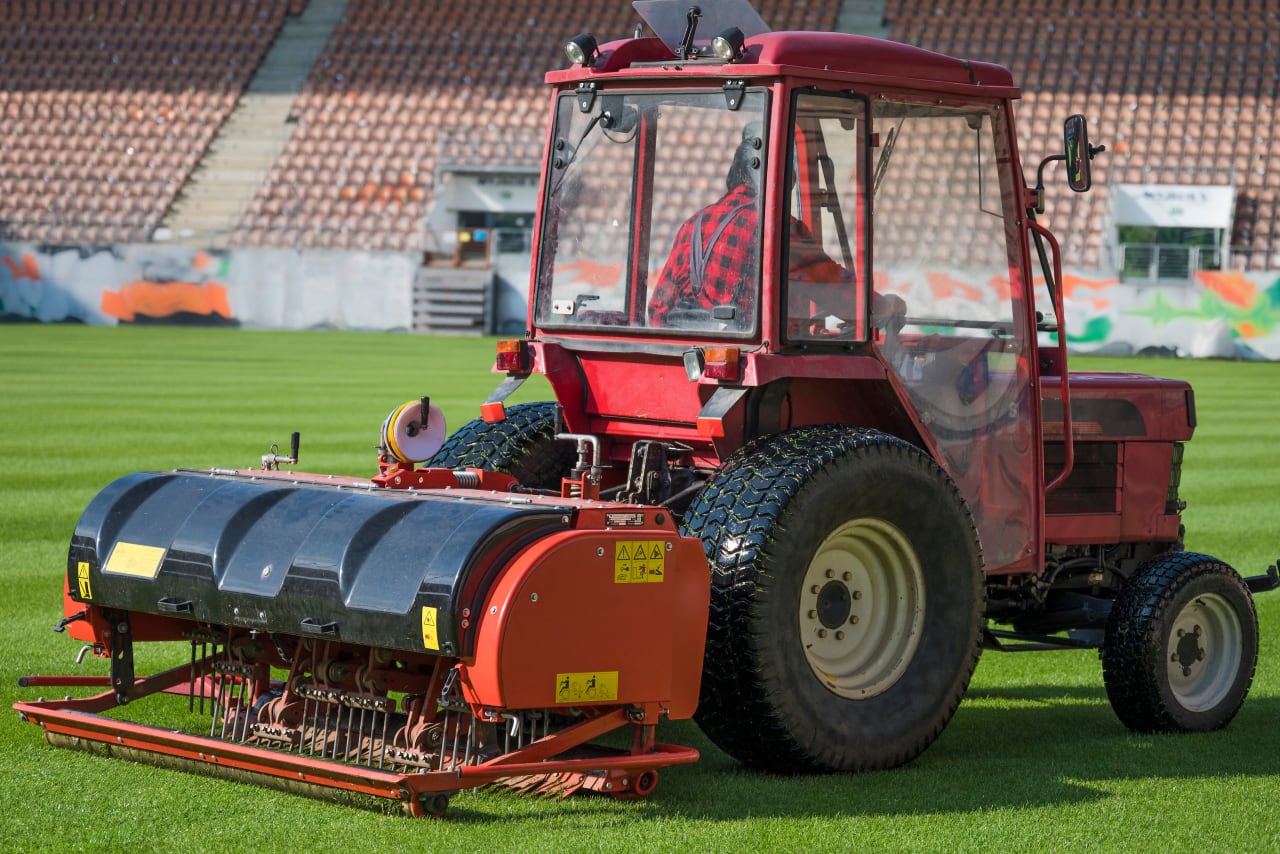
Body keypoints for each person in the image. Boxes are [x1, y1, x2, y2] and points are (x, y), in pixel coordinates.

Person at [647, 130, 862, 332]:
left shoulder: (693, 225)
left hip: (692, 356)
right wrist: (876, 310)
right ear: (779, 179)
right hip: (756, 354)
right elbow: (837, 292)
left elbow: (658, 310)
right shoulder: (779, 227)